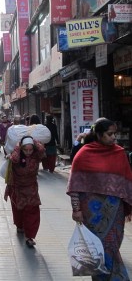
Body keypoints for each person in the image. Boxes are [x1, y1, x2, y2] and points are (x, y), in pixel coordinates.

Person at [67, 118, 132, 280]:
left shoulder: (119, 153)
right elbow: (75, 185)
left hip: (115, 210)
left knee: (112, 246)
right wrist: (76, 210)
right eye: (110, 134)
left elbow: (126, 182)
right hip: (92, 212)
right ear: (99, 134)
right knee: (98, 248)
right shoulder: (83, 154)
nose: (114, 138)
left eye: (114, 134)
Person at [4, 136, 45, 248]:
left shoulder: (36, 156)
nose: (28, 152)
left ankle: (30, 236)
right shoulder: (16, 156)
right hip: (17, 188)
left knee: (32, 211)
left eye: (30, 149)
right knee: (18, 209)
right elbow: (14, 159)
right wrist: (18, 144)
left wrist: (31, 139)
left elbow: (41, 150)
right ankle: (19, 226)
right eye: (25, 150)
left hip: (31, 188)